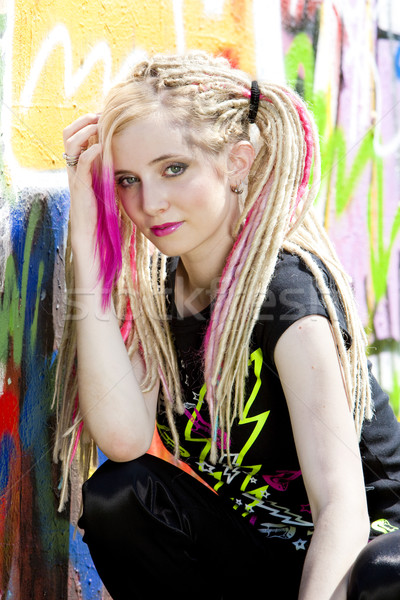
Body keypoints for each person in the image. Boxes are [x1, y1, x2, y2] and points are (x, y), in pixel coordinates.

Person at [54, 51, 400, 599]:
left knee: (386, 574)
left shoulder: (287, 296)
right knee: (120, 497)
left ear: (236, 162)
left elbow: (342, 509)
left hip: (364, 549)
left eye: (174, 169)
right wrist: (87, 235)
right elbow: (122, 440)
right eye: (126, 179)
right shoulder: (158, 292)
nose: (150, 202)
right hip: (273, 554)